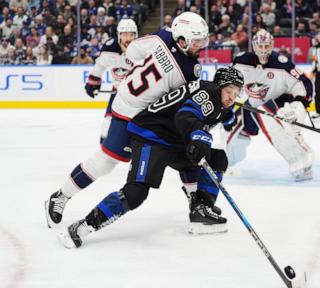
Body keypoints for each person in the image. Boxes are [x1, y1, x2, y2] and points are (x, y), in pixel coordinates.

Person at [45, 12, 209, 228]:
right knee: (106, 161)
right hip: (130, 112)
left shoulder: (163, 36)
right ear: (182, 39)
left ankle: (195, 203)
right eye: (197, 41)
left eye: (203, 40)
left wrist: (133, 69)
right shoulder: (189, 70)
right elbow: (177, 102)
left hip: (141, 111)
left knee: (184, 152)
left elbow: (133, 50)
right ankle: (60, 196)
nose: (202, 46)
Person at [57, 67, 244, 248]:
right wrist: (198, 133)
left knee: (217, 158)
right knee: (135, 192)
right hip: (152, 135)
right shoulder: (209, 92)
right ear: (218, 86)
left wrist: (225, 117)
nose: (231, 97)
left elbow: (211, 114)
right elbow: (186, 115)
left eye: (236, 94)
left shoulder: (217, 100)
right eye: (228, 91)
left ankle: (201, 209)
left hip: (173, 141)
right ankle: (82, 226)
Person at [224, 29, 314, 181]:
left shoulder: (281, 63)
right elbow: (231, 86)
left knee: (281, 130)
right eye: (260, 46)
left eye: (267, 46)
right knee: (233, 131)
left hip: (278, 103)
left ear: (272, 45)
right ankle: (225, 161)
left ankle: (303, 163)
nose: (263, 50)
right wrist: (226, 110)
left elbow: (304, 83)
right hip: (251, 105)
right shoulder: (240, 61)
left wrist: (299, 105)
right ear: (253, 46)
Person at [84, 18, 138, 141]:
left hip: (138, 96)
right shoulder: (110, 48)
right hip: (118, 93)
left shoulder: (143, 50)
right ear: (119, 35)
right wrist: (93, 83)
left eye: (131, 35)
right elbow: (99, 67)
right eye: (125, 35)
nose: (128, 38)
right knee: (106, 131)